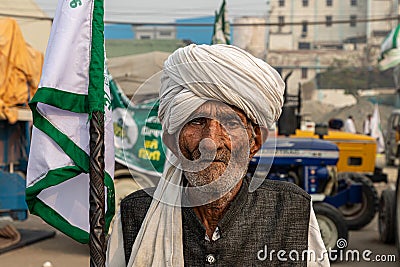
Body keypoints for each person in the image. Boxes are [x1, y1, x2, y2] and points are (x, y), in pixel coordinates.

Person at [107, 44, 329, 266]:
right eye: (196, 121)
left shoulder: (291, 210)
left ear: (255, 142)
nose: (210, 142)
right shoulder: (133, 214)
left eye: (230, 122)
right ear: (171, 141)